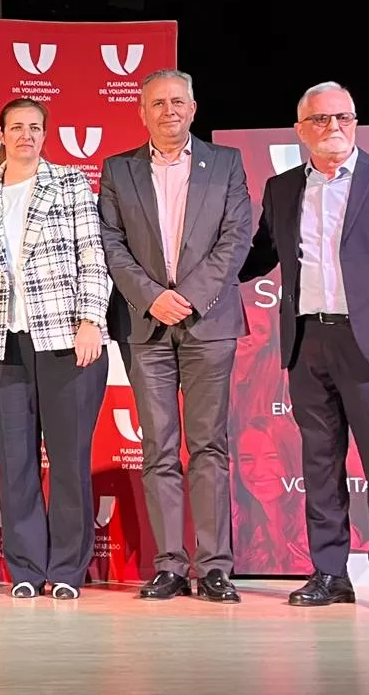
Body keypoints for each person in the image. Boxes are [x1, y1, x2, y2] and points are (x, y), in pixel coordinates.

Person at [239, 81, 369, 613]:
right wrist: (192, 272)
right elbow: (256, 257)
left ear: (355, 122)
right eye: (321, 120)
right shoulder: (283, 188)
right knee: (319, 465)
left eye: (344, 118)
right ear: (300, 129)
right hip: (308, 341)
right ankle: (330, 573)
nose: (334, 128)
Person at [98, 69, 253, 603]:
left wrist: (186, 296)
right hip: (145, 326)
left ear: (194, 108)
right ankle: (169, 565)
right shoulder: (118, 169)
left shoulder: (226, 163)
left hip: (208, 322)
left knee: (208, 445)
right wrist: (150, 297)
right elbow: (111, 244)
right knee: (158, 449)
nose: (169, 111)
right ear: (142, 113)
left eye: (178, 102)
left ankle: (214, 567)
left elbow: (236, 239)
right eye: (158, 103)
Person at [0, 97, 111, 600]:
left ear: (46, 134)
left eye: (35, 127)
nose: (26, 134)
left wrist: (92, 319)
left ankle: (67, 570)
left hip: (66, 339)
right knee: (16, 460)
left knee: (69, 460)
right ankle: (26, 568)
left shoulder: (70, 183)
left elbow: (93, 254)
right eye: (16, 127)